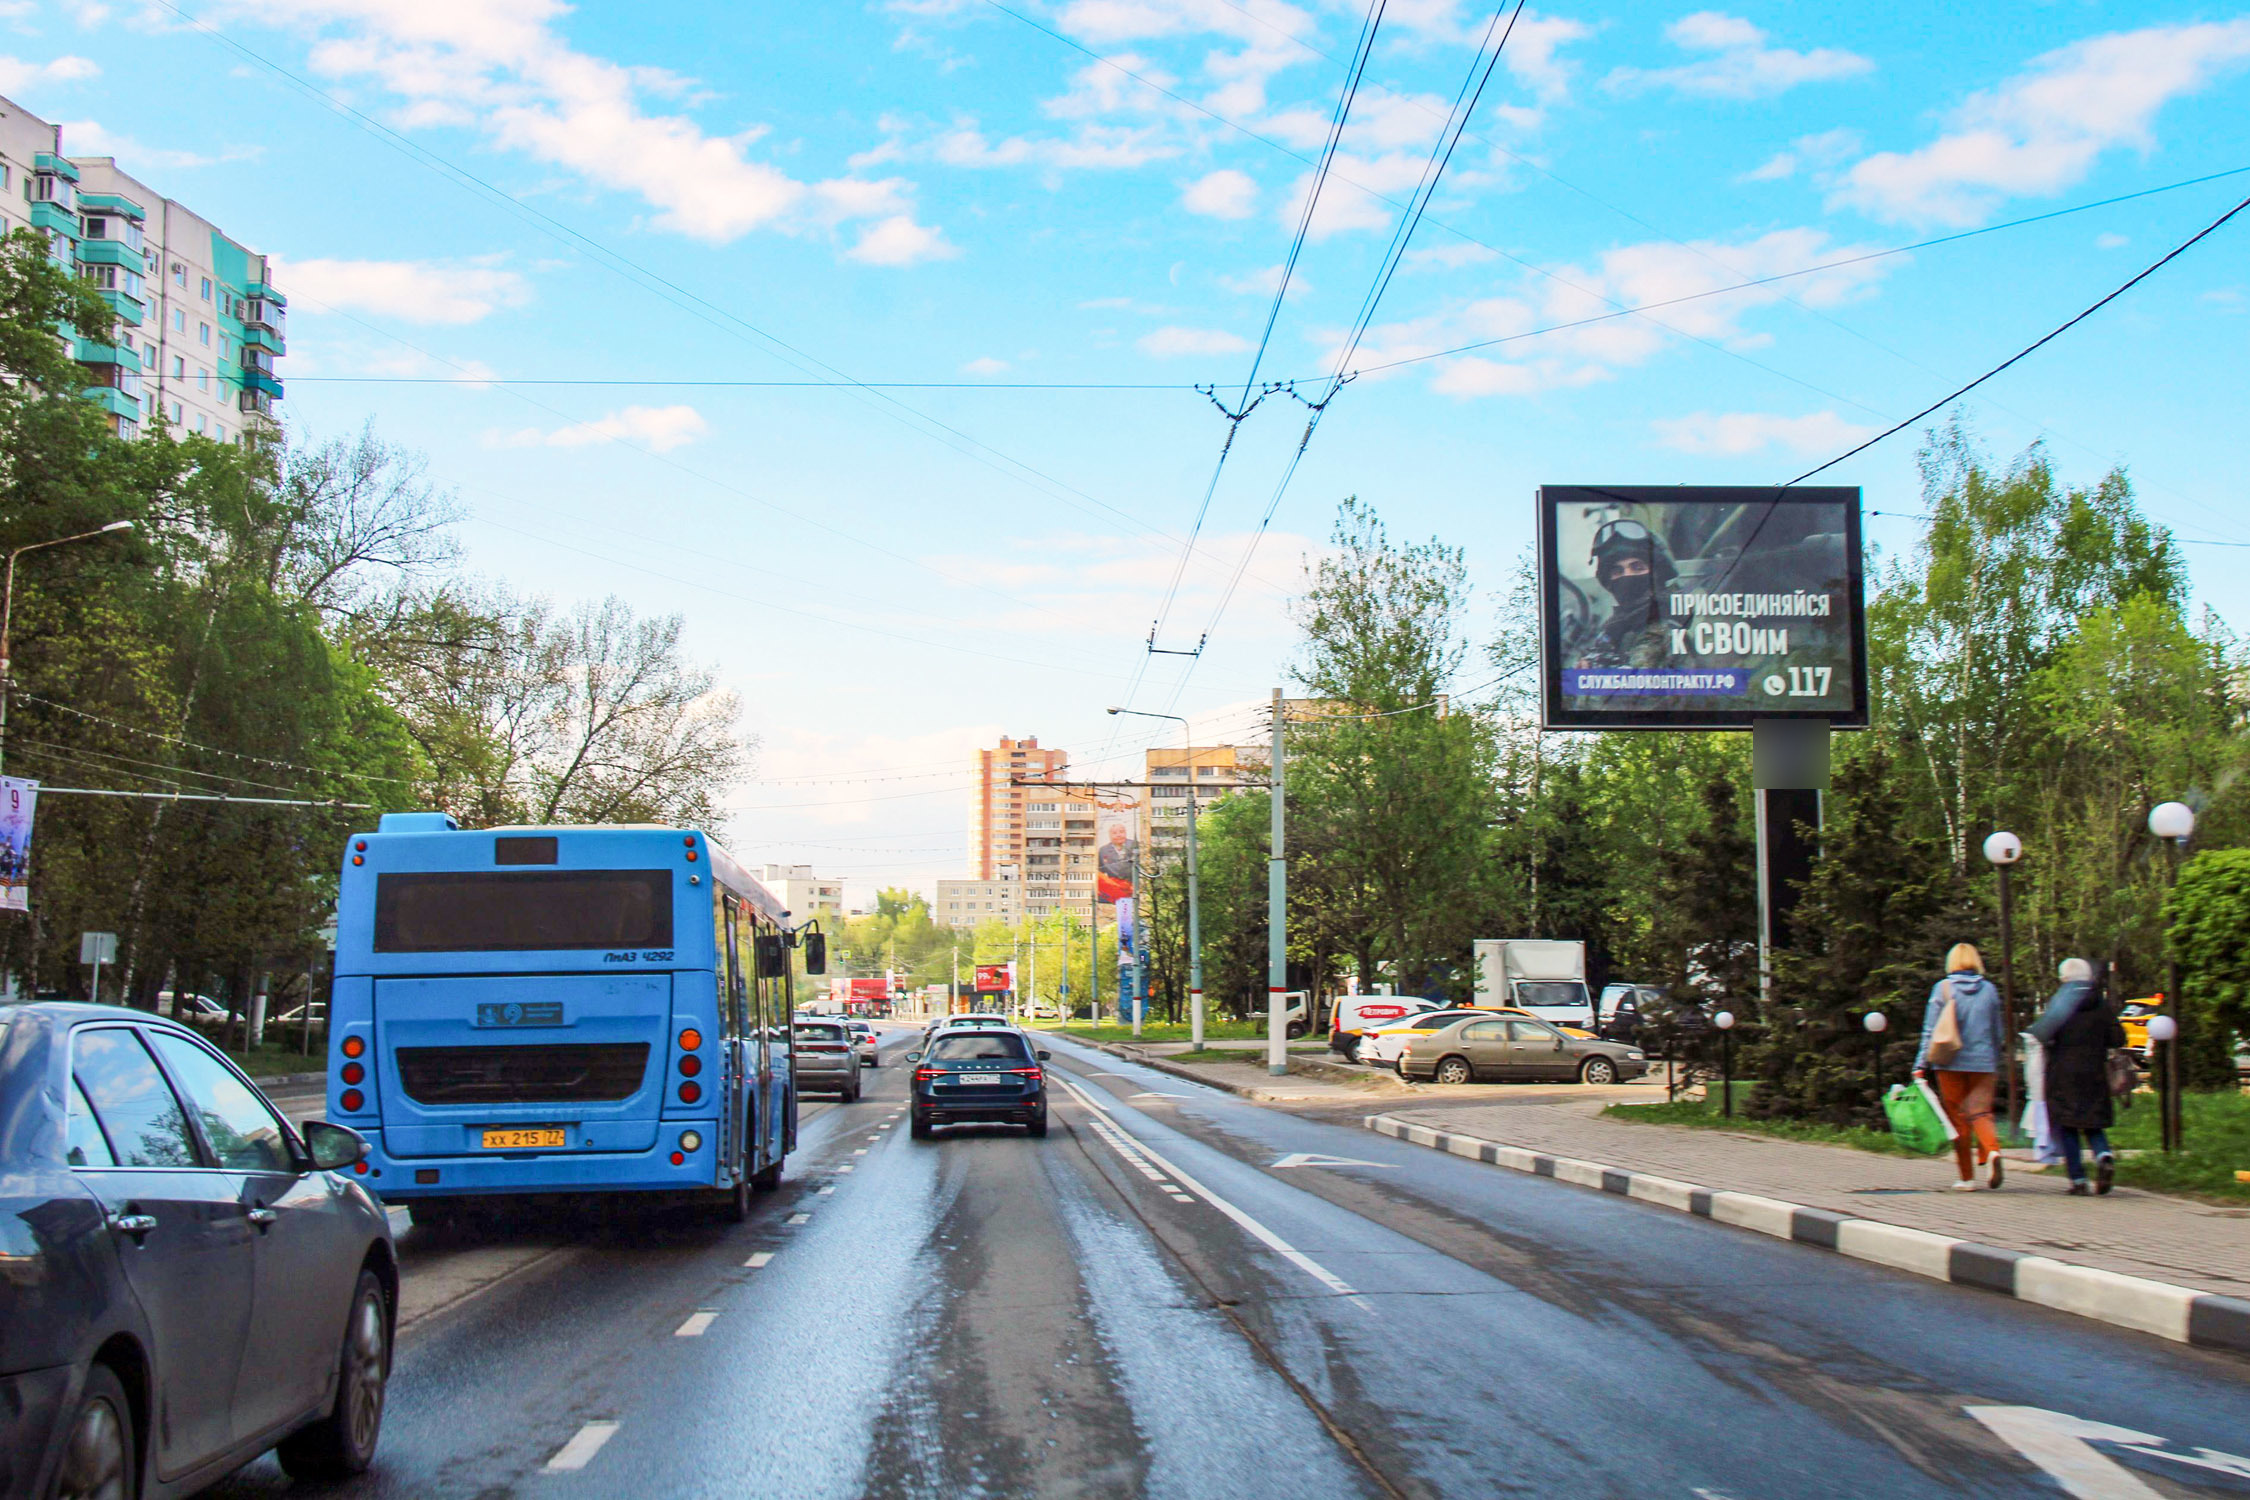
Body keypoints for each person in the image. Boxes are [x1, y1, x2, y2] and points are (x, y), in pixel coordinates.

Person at [1914, 942, 2010, 1190]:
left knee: (1958, 1118)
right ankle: (1993, 1152)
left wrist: (1920, 1063)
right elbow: (1998, 1031)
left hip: (1950, 1062)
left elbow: (1930, 1030)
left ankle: (1967, 1178)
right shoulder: (1989, 990)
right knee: (1981, 1113)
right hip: (1984, 1063)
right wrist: (1994, 1057)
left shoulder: (1942, 988)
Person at [2029, 958, 2126, 1196]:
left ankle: (2078, 1179)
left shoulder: (2061, 1002)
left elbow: (2042, 1033)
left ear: (2064, 978)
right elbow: (2118, 1038)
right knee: (2093, 1122)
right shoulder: (2100, 1003)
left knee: (2067, 1125)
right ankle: (2104, 1156)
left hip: (2062, 1071)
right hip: (2094, 1070)